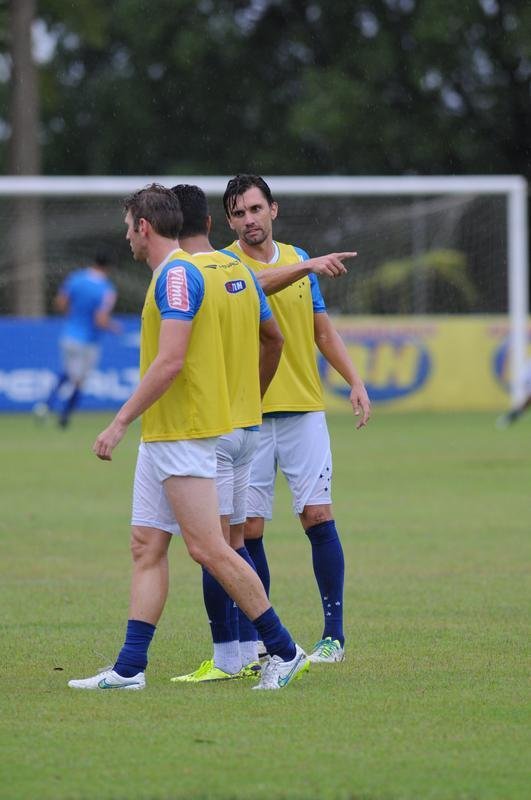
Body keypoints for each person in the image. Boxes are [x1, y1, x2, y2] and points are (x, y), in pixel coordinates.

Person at [68, 184, 308, 692]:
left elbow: (172, 360)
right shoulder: (190, 273)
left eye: (128, 226)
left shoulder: (178, 276)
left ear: (144, 228)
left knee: (210, 549)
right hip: (168, 434)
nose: (126, 236)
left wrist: (119, 421)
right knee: (145, 546)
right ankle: (130, 668)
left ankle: (285, 650)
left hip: (188, 431)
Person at [222, 174, 371, 665]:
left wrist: (354, 380)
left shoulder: (297, 257)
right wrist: (306, 265)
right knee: (249, 530)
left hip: (304, 410)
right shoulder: (224, 265)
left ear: (273, 210)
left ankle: (334, 637)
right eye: (239, 213)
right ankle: (265, 638)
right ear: (230, 221)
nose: (249, 220)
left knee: (317, 516)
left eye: (256, 209)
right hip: (249, 413)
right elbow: (252, 285)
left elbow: (321, 332)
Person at [169, 183, 284, 682]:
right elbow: (273, 337)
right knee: (233, 544)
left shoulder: (182, 275)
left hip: (210, 428)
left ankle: (235, 654)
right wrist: (252, 395)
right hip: (247, 426)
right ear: (213, 224)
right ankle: (249, 648)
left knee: (212, 550)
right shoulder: (240, 268)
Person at [33, 251, 120, 428]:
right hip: (88, 341)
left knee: (68, 372)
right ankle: (64, 417)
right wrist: (114, 328)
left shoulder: (76, 278)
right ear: (108, 268)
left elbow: (60, 303)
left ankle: (46, 405)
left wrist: (74, 318)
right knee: (79, 380)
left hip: (69, 335)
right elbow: (100, 319)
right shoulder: (106, 289)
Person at [496, 359, 531, 428]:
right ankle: (512, 416)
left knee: (526, 403)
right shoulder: (528, 366)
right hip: (527, 385)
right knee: (526, 403)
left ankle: (512, 415)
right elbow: (524, 379)